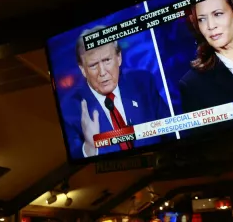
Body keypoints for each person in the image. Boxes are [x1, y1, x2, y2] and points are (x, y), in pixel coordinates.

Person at [62, 26, 172, 159]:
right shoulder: (70, 108)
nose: (102, 72)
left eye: (107, 60)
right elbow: (74, 160)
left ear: (119, 58)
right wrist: (89, 147)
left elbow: (171, 131)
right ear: (83, 69)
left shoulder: (142, 83)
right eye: (93, 65)